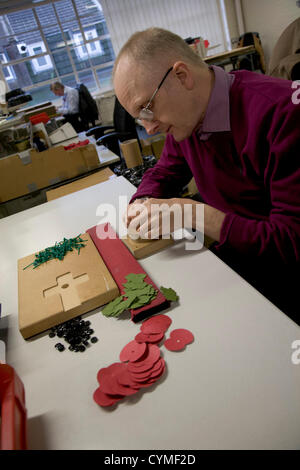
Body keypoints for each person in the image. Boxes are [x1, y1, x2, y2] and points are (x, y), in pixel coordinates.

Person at [113, 27, 300, 323]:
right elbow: (165, 170)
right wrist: (143, 199)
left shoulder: (283, 114)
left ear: (181, 76)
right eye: (140, 119)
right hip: (239, 265)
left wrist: (193, 214)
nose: (148, 129)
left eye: (147, 109)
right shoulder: (187, 118)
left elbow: (290, 242)